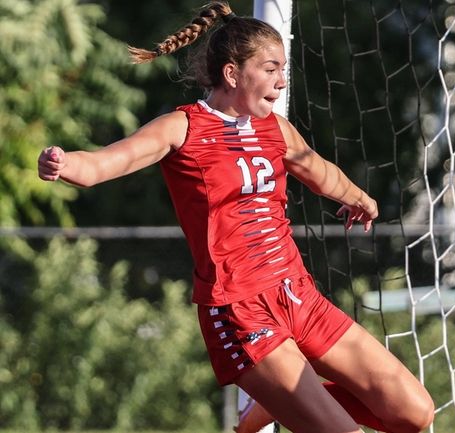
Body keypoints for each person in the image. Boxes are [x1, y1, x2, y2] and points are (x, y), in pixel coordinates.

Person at [37, 2, 434, 433]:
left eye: (283, 69)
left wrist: (360, 197)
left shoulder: (276, 129)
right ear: (232, 74)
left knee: (413, 413)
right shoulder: (181, 128)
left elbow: (320, 172)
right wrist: (64, 163)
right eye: (271, 69)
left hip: (298, 294)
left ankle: (268, 408)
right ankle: (278, 401)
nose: (282, 82)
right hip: (240, 310)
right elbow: (102, 165)